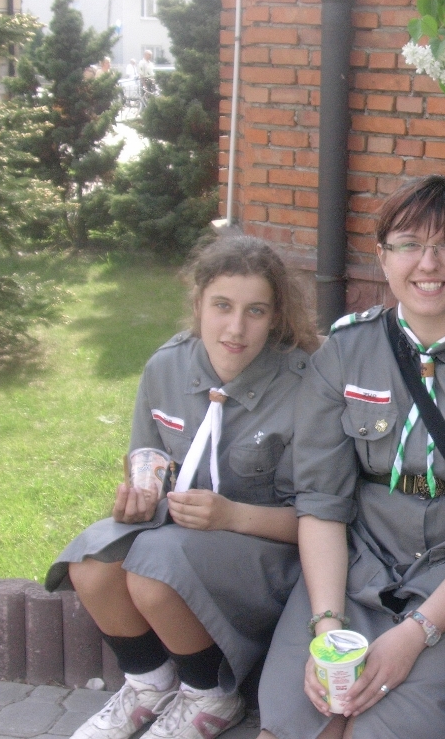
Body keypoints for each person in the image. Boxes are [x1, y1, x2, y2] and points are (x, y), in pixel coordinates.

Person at [256, 175, 445, 739]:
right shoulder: (346, 350)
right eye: (408, 244)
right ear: (382, 256)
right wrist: (326, 628)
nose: (428, 263)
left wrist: (418, 631)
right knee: (288, 728)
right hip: (352, 572)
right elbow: (321, 502)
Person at [45, 235, 317, 739]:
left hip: (268, 555)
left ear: (276, 316)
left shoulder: (304, 386)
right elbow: (145, 464)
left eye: (256, 311)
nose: (235, 328)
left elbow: (323, 522)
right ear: (198, 305)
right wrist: (135, 503)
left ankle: (209, 693)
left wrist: (231, 515)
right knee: (92, 561)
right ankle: (149, 683)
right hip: (179, 538)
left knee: (153, 570)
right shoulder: (166, 367)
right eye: (222, 306)